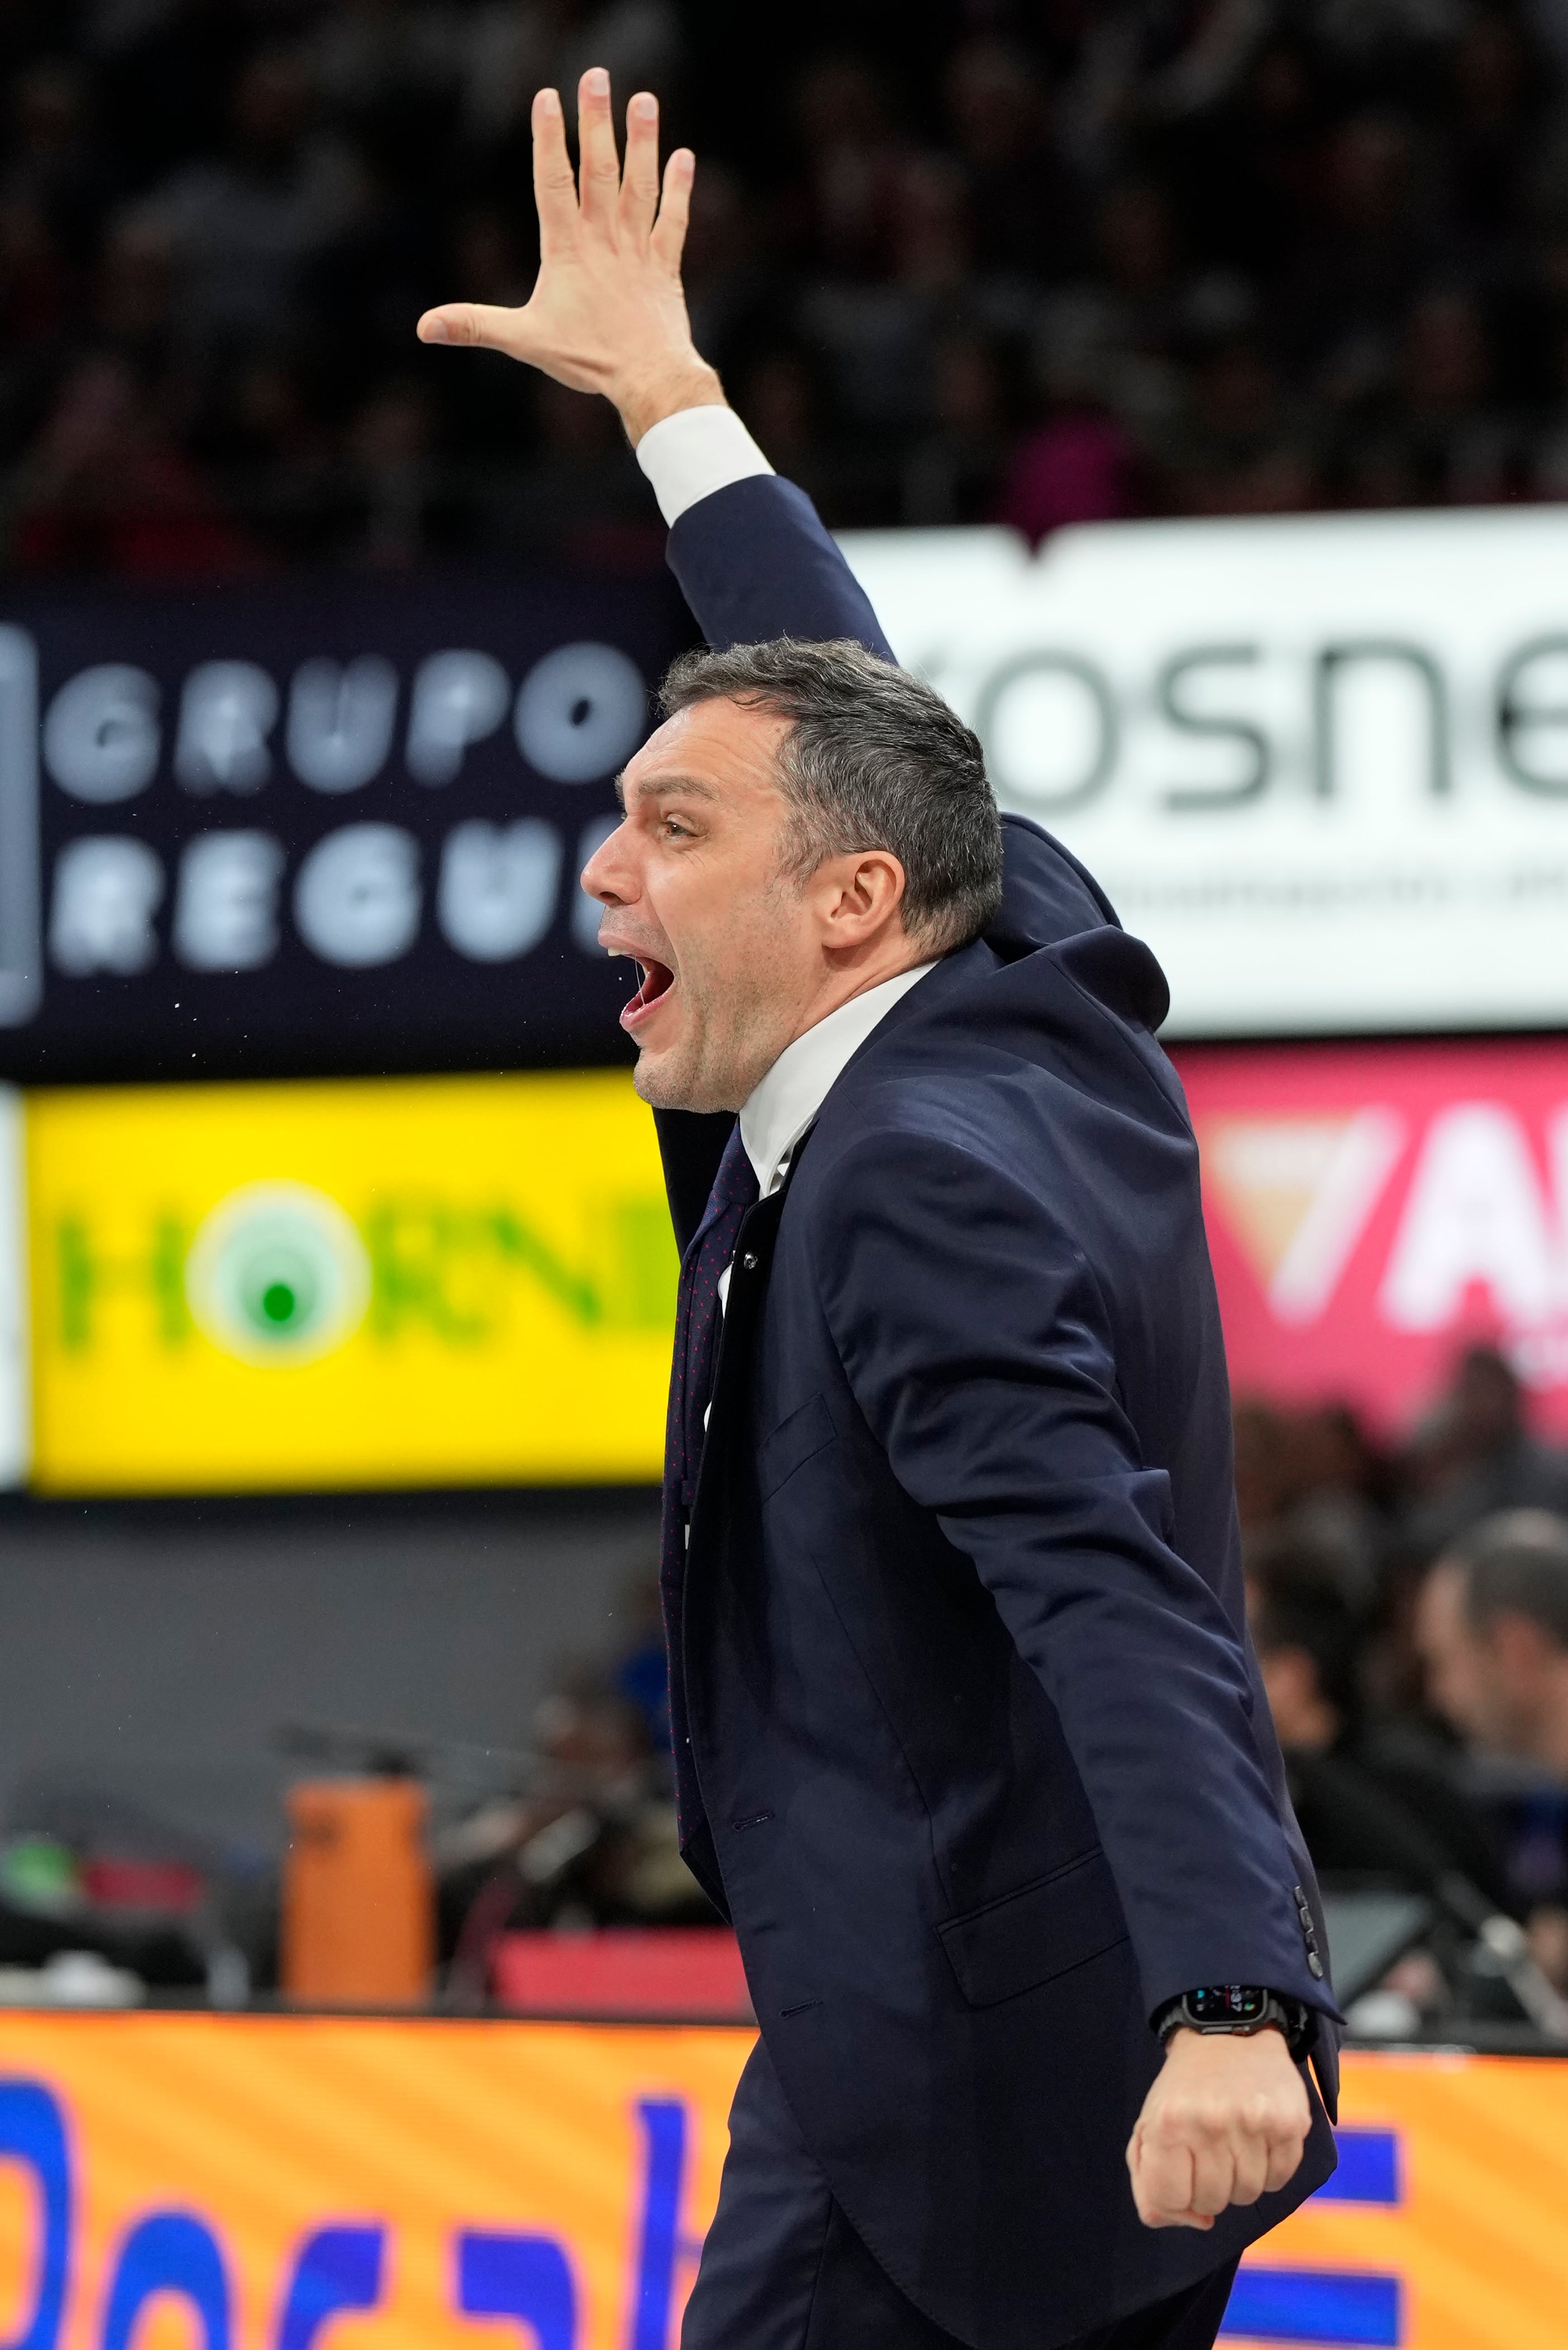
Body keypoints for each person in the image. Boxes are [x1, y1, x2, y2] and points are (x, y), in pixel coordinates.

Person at [417, 71, 1339, 2350]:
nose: (604, 871)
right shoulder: (1015, 945)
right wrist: (671, 397)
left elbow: (1113, 1598)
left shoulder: (914, 1184)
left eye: (669, 829)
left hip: (968, 2112)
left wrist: (1238, 2000)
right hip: (1033, 2037)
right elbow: (858, 709)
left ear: (846, 907)